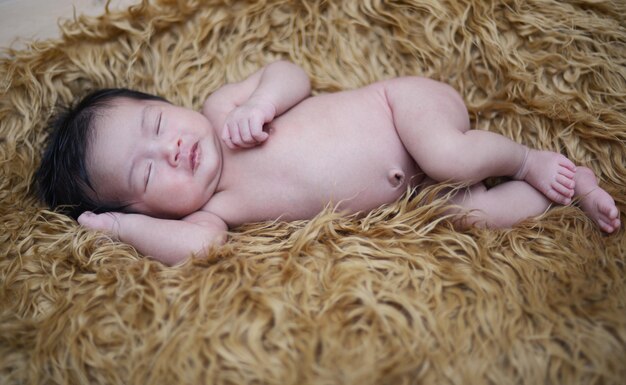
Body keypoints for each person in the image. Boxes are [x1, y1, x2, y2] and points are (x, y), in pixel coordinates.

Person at [36, 60, 621, 265]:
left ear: (166, 105)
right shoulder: (213, 213)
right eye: (147, 173)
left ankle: (523, 160)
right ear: (146, 208)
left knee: (448, 158)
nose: (171, 148)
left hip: (402, 110)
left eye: (157, 124)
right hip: (412, 194)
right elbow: (199, 252)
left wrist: (263, 101)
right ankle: (571, 189)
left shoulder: (221, 111)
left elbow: (293, 73)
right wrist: (118, 229)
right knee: (467, 216)